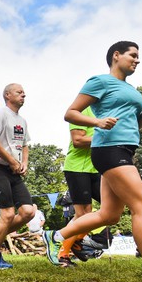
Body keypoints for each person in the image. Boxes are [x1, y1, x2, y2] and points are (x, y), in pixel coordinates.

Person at [43, 41, 142, 282]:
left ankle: (56, 237)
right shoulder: (100, 81)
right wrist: (97, 121)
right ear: (116, 56)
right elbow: (70, 113)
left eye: (138, 56)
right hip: (109, 150)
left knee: (109, 215)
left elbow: (128, 120)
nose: (137, 60)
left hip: (124, 150)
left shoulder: (131, 90)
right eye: (133, 55)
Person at [0, 83, 35, 270]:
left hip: (13, 170)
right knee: (8, 214)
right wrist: (12, 160)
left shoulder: (23, 121)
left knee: (28, 211)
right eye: (19, 92)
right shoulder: (0, 114)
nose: (24, 94)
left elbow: (26, 144)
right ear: (7, 95)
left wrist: (24, 163)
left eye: (23, 92)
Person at [54, 105, 102, 267]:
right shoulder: (81, 111)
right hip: (77, 168)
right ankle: (63, 253)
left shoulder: (105, 111)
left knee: (112, 209)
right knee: (82, 214)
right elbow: (78, 140)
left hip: (96, 168)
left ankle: (77, 241)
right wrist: (107, 138)